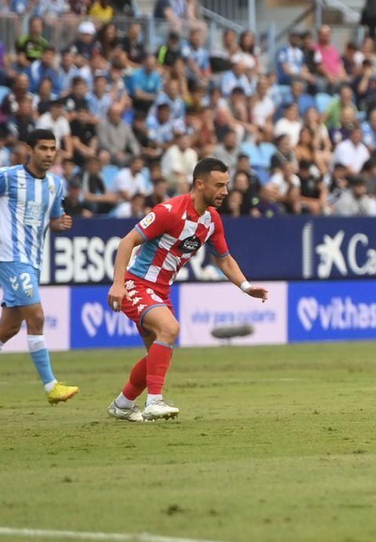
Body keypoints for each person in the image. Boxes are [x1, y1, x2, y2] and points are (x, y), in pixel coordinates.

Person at [103, 158, 269, 422]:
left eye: (227, 185)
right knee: (169, 329)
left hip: (161, 292)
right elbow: (127, 242)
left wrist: (245, 286)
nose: (226, 191)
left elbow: (223, 258)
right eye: (219, 185)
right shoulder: (168, 211)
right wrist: (118, 283)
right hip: (138, 284)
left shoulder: (212, 220)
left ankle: (123, 404)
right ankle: (154, 402)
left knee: (155, 356)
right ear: (200, 184)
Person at [0, 129, 78, 403]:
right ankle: (51, 387)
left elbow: (55, 219)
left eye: (52, 149)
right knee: (36, 317)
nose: (49, 154)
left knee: (8, 328)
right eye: (43, 148)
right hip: (12, 258)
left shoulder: (55, 184)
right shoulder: (7, 176)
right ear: (30, 149)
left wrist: (59, 224)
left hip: (34, 261)